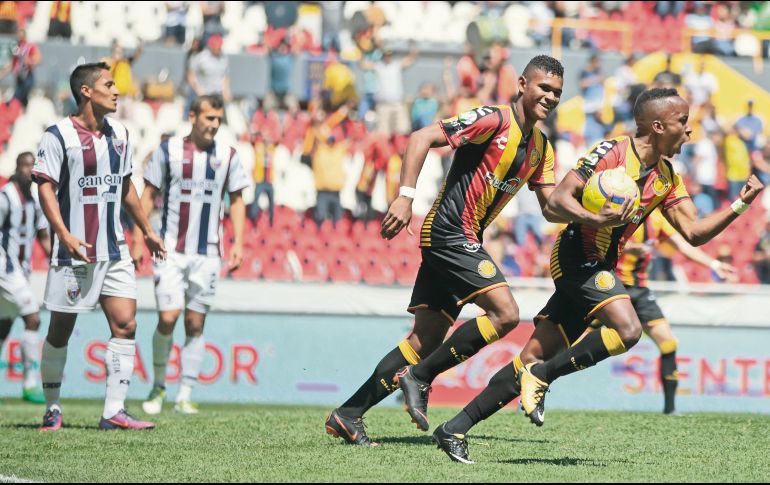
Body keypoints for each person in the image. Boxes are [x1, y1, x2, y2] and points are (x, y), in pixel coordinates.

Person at [431, 88, 764, 464]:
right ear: (657, 126)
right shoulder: (612, 153)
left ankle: (455, 427)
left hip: (601, 265)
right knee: (628, 330)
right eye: (682, 121)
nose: (689, 130)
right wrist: (596, 218)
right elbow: (557, 201)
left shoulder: (667, 177)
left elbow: (694, 233)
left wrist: (740, 204)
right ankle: (544, 375)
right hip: (577, 255)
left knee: (530, 357)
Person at [325, 55, 566, 446]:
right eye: (544, 87)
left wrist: (596, 213)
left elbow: (552, 207)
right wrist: (405, 196)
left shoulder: (542, 149)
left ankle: (348, 414)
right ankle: (420, 377)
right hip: (449, 232)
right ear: (522, 84)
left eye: (556, 92)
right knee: (506, 314)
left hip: (465, 238)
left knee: (424, 340)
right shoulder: (494, 119)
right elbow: (421, 137)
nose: (550, 97)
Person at [32, 62, 166, 431]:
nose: (117, 90)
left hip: (114, 247)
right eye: (108, 84)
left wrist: (146, 229)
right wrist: (64, 235)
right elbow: (45, 187)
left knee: (126, 324)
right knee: (60, 331)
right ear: (86, 91)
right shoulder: (57, 136)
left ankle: (113, 411)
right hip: (73, 250)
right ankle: (52, 408)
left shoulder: (120, 133)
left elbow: (125, 185)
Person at [135, 94, 248, 415]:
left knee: (195, 323)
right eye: (209, 118)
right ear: (193, 116)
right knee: (168, 318)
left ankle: (185, 393)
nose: (214, 125)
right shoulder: (168, 150)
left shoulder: (227, 155)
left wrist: (239, 243)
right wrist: (139, 238)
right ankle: (159, 386)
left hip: (208, 253)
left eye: (218, 120)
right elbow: (148, 194)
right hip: (169, 250)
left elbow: (237, 200)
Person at [0, 152, 51, 404]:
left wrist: (56, 260)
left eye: (33, 166)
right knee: (33, 318)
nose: (29, 171)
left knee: (3, 326)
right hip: (5, 271)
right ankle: (30, 384)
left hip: (21, 272)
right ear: (17, 167)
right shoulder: (5, 197)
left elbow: (43, 236)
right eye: (25, 165)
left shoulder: (35, 200)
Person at [0, 28, 41, 108]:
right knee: (21, 99)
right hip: (19, 77)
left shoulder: (30, 46)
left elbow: (38, 59)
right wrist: (2, 74)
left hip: (27, 76)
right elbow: (12, 64)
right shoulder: (17, 48)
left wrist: (30, 61)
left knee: (17, 98)